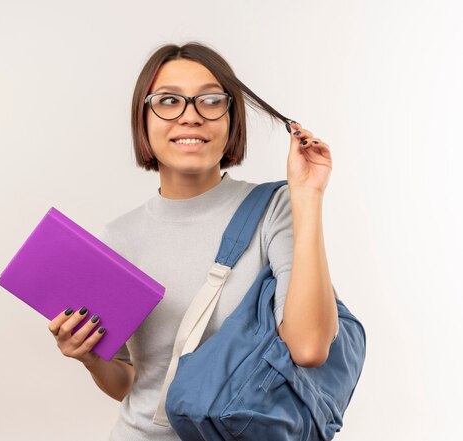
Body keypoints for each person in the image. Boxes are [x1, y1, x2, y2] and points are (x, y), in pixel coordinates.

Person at [47, 41, 339, 440]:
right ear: (143, 120)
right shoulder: (119, 237)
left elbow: (309, 349)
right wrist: (90, 359)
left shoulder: (276, 209)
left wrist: (308, 196)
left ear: (231, 119)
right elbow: (131, 383)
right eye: (169, 101)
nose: (190, 117)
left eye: (210, 101)